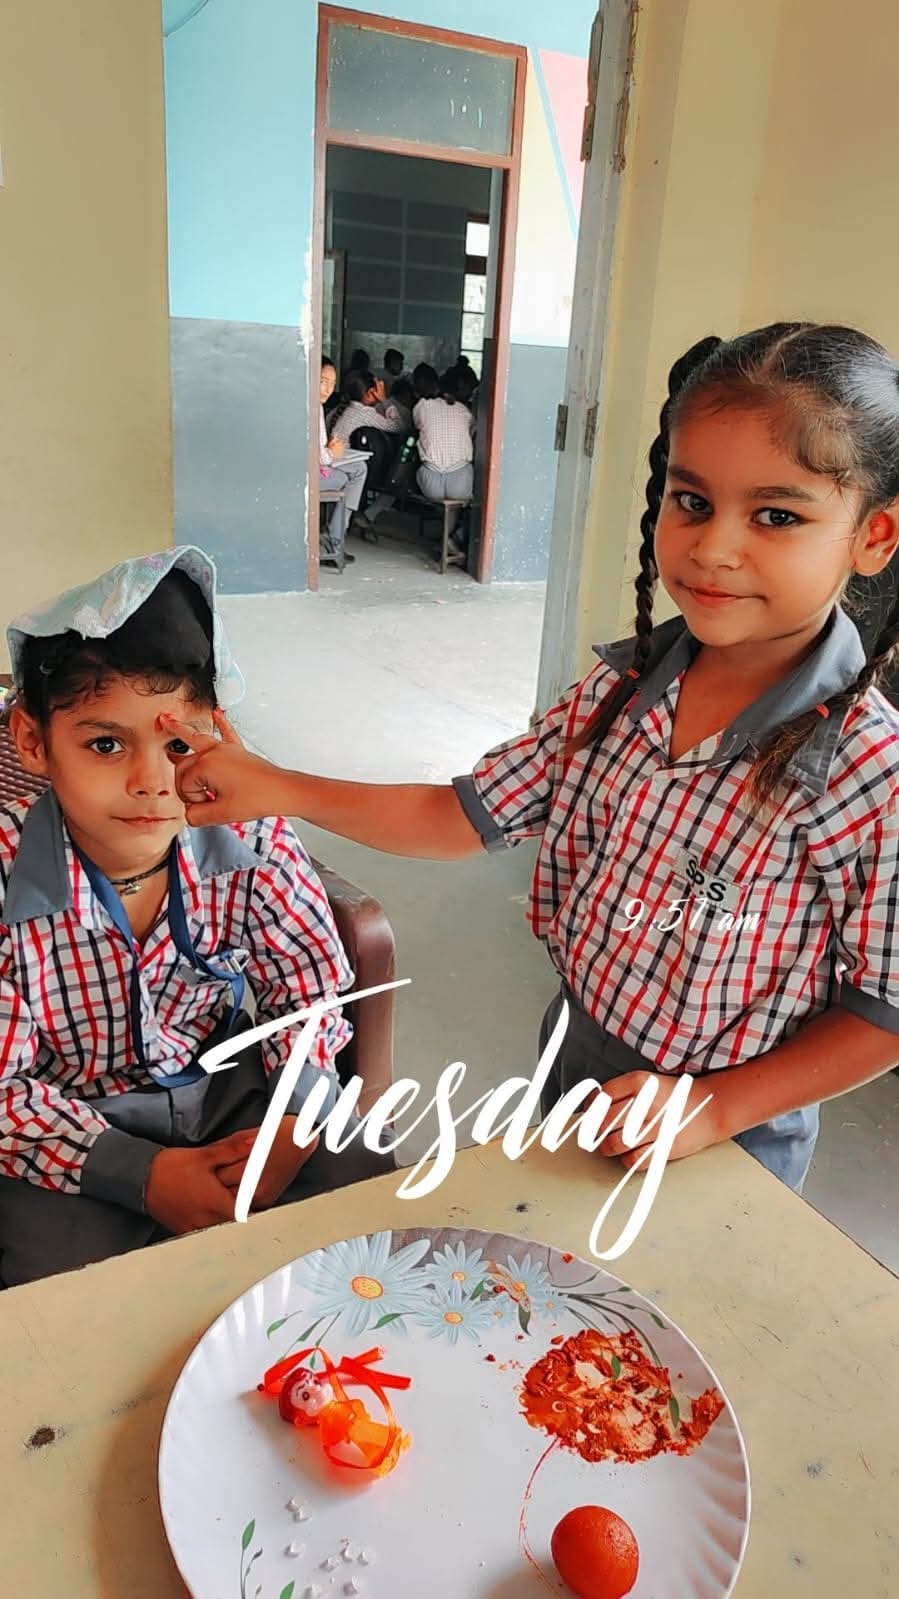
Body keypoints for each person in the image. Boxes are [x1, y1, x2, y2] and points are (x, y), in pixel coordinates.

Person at [166, 322, 899, 1197]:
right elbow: (459, 816)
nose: (712, 547)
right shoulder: (619, 692)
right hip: (572, 1060)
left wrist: (711, 1108)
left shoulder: (867, 770)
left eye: (775, 515)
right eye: (692, 501)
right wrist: (276, 786)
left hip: (729, 1133)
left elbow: (883, 1011)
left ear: (873, 535)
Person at [0, 548, 380, 1287]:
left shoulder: (253, 834)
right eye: (105, 744)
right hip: (73, 1124)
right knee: (67, 1296)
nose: (153, 781)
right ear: (33, 742)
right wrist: (140, 1174)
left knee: (357, 1203)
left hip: (231, 1090)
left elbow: (307, 990)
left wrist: (294, 1119)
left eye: (179, 744)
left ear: (216, 735)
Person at [411, 363, 475, 549]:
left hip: (431, 484)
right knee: (471, 499)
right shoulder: (465, 411)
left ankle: (446, 536)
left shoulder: (422, 407)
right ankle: (453, 537)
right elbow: (471, 434)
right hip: (460, 483)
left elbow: (417, 426)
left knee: (421, 457)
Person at [319, 357, 369, 570]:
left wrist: (329, 448)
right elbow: (317, 457)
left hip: (319, 464)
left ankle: (336, 537)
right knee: (350, 477)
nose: (328, 389)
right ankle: (336, 541)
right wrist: (331, 453)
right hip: (310, 473)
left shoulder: (318, 407)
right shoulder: (310, 409)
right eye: (323, 381)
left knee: (359, 468)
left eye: (332, 383)